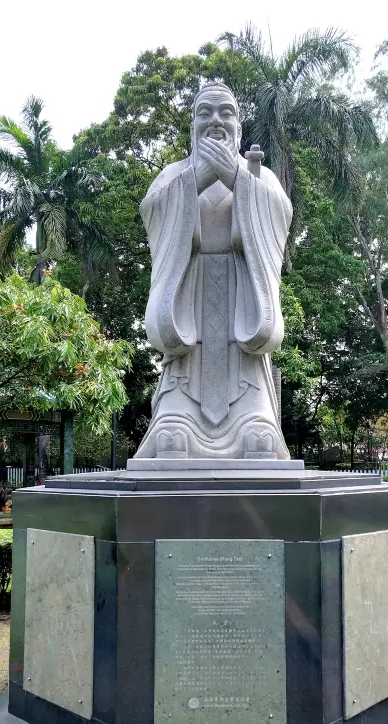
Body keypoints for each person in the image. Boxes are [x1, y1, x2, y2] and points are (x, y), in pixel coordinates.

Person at [135, 82, 293, 460]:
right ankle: (177, 412)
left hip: (241, 296)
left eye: (226, 113)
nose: (216, 121)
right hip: (190, 294)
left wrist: (237, 177)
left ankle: (252, 415)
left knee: (258, 437)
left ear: (239, 126)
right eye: (205, 113)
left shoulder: (259, 176)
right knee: (172, 433)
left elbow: (279, 213)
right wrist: (199, 177)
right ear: (193, 125)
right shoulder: (175, 174)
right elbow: (153, 211)